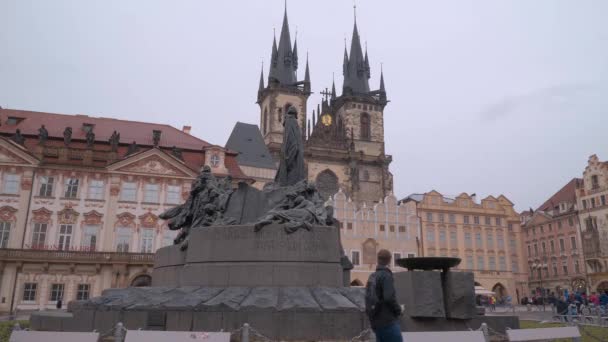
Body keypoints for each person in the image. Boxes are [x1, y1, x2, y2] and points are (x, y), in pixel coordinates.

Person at [365, 249, 403, 342]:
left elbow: (367, 298)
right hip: (388, 321)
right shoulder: (386, 275)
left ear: (378, 260)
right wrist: (399, 310)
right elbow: (389, 297)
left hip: (376, 322)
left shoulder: (372, 276)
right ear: (389, 260)